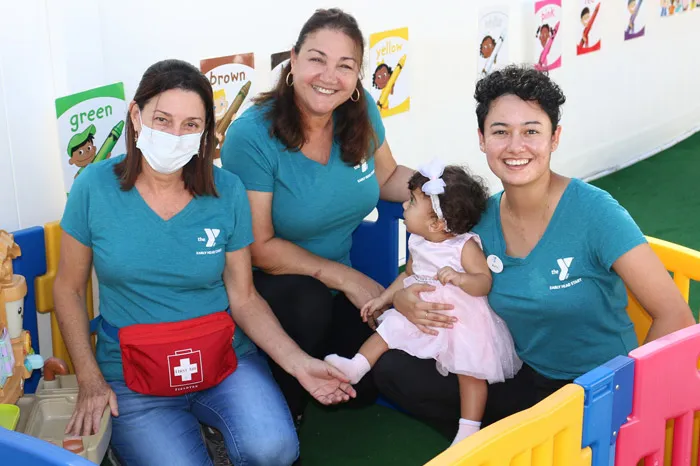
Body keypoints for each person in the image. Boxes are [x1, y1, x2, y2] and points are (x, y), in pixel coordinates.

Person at [53, 59, 356, 466]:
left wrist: (299, 364)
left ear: (205, 131)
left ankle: (216, 436)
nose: (175, 135)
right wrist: (90, 379)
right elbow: (68, 288)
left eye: (191, 125)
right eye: (162, 119)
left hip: (222, 359)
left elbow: (244, 298)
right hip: (132, 373)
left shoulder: (226, 190)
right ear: (136, 116)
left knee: (275, 450)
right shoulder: (93, 187)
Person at [372, 65, 696, 439]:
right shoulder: (478, 220)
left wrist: (629, 405)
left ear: (554, 137)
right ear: (481, 139)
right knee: (394, 371)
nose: (515, 146)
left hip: (598, 390)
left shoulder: (595, 212)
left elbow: (675, 315)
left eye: (531, 131)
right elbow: (423, 267)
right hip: (523, 378)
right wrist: (406, 299)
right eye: (500, 132)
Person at [220, 8, 412, 424]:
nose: (329, 76)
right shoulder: (251, 135)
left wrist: (442, 187)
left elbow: (390, 177)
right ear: (293, 59)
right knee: (306, 304)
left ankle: (309, 372)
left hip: (333, 287)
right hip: (267, 292)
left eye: (345, 65)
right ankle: (275, 406)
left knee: (368, 384)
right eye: (317, 59)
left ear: (358, 73)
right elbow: (257, 247)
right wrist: (346, 278)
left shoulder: (361, 113)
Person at [324, 161, 522, 447]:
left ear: (436, 224)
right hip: (422, 306)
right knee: (385, 334)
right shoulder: (417, 240)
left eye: (413, 201)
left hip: (460, 318)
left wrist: (459, 278)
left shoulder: (464, 246)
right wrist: (383, 298)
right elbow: (408, 274)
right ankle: (356, 366)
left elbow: (483, 282)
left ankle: (469, 427)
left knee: (470, 371)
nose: (405, 204)